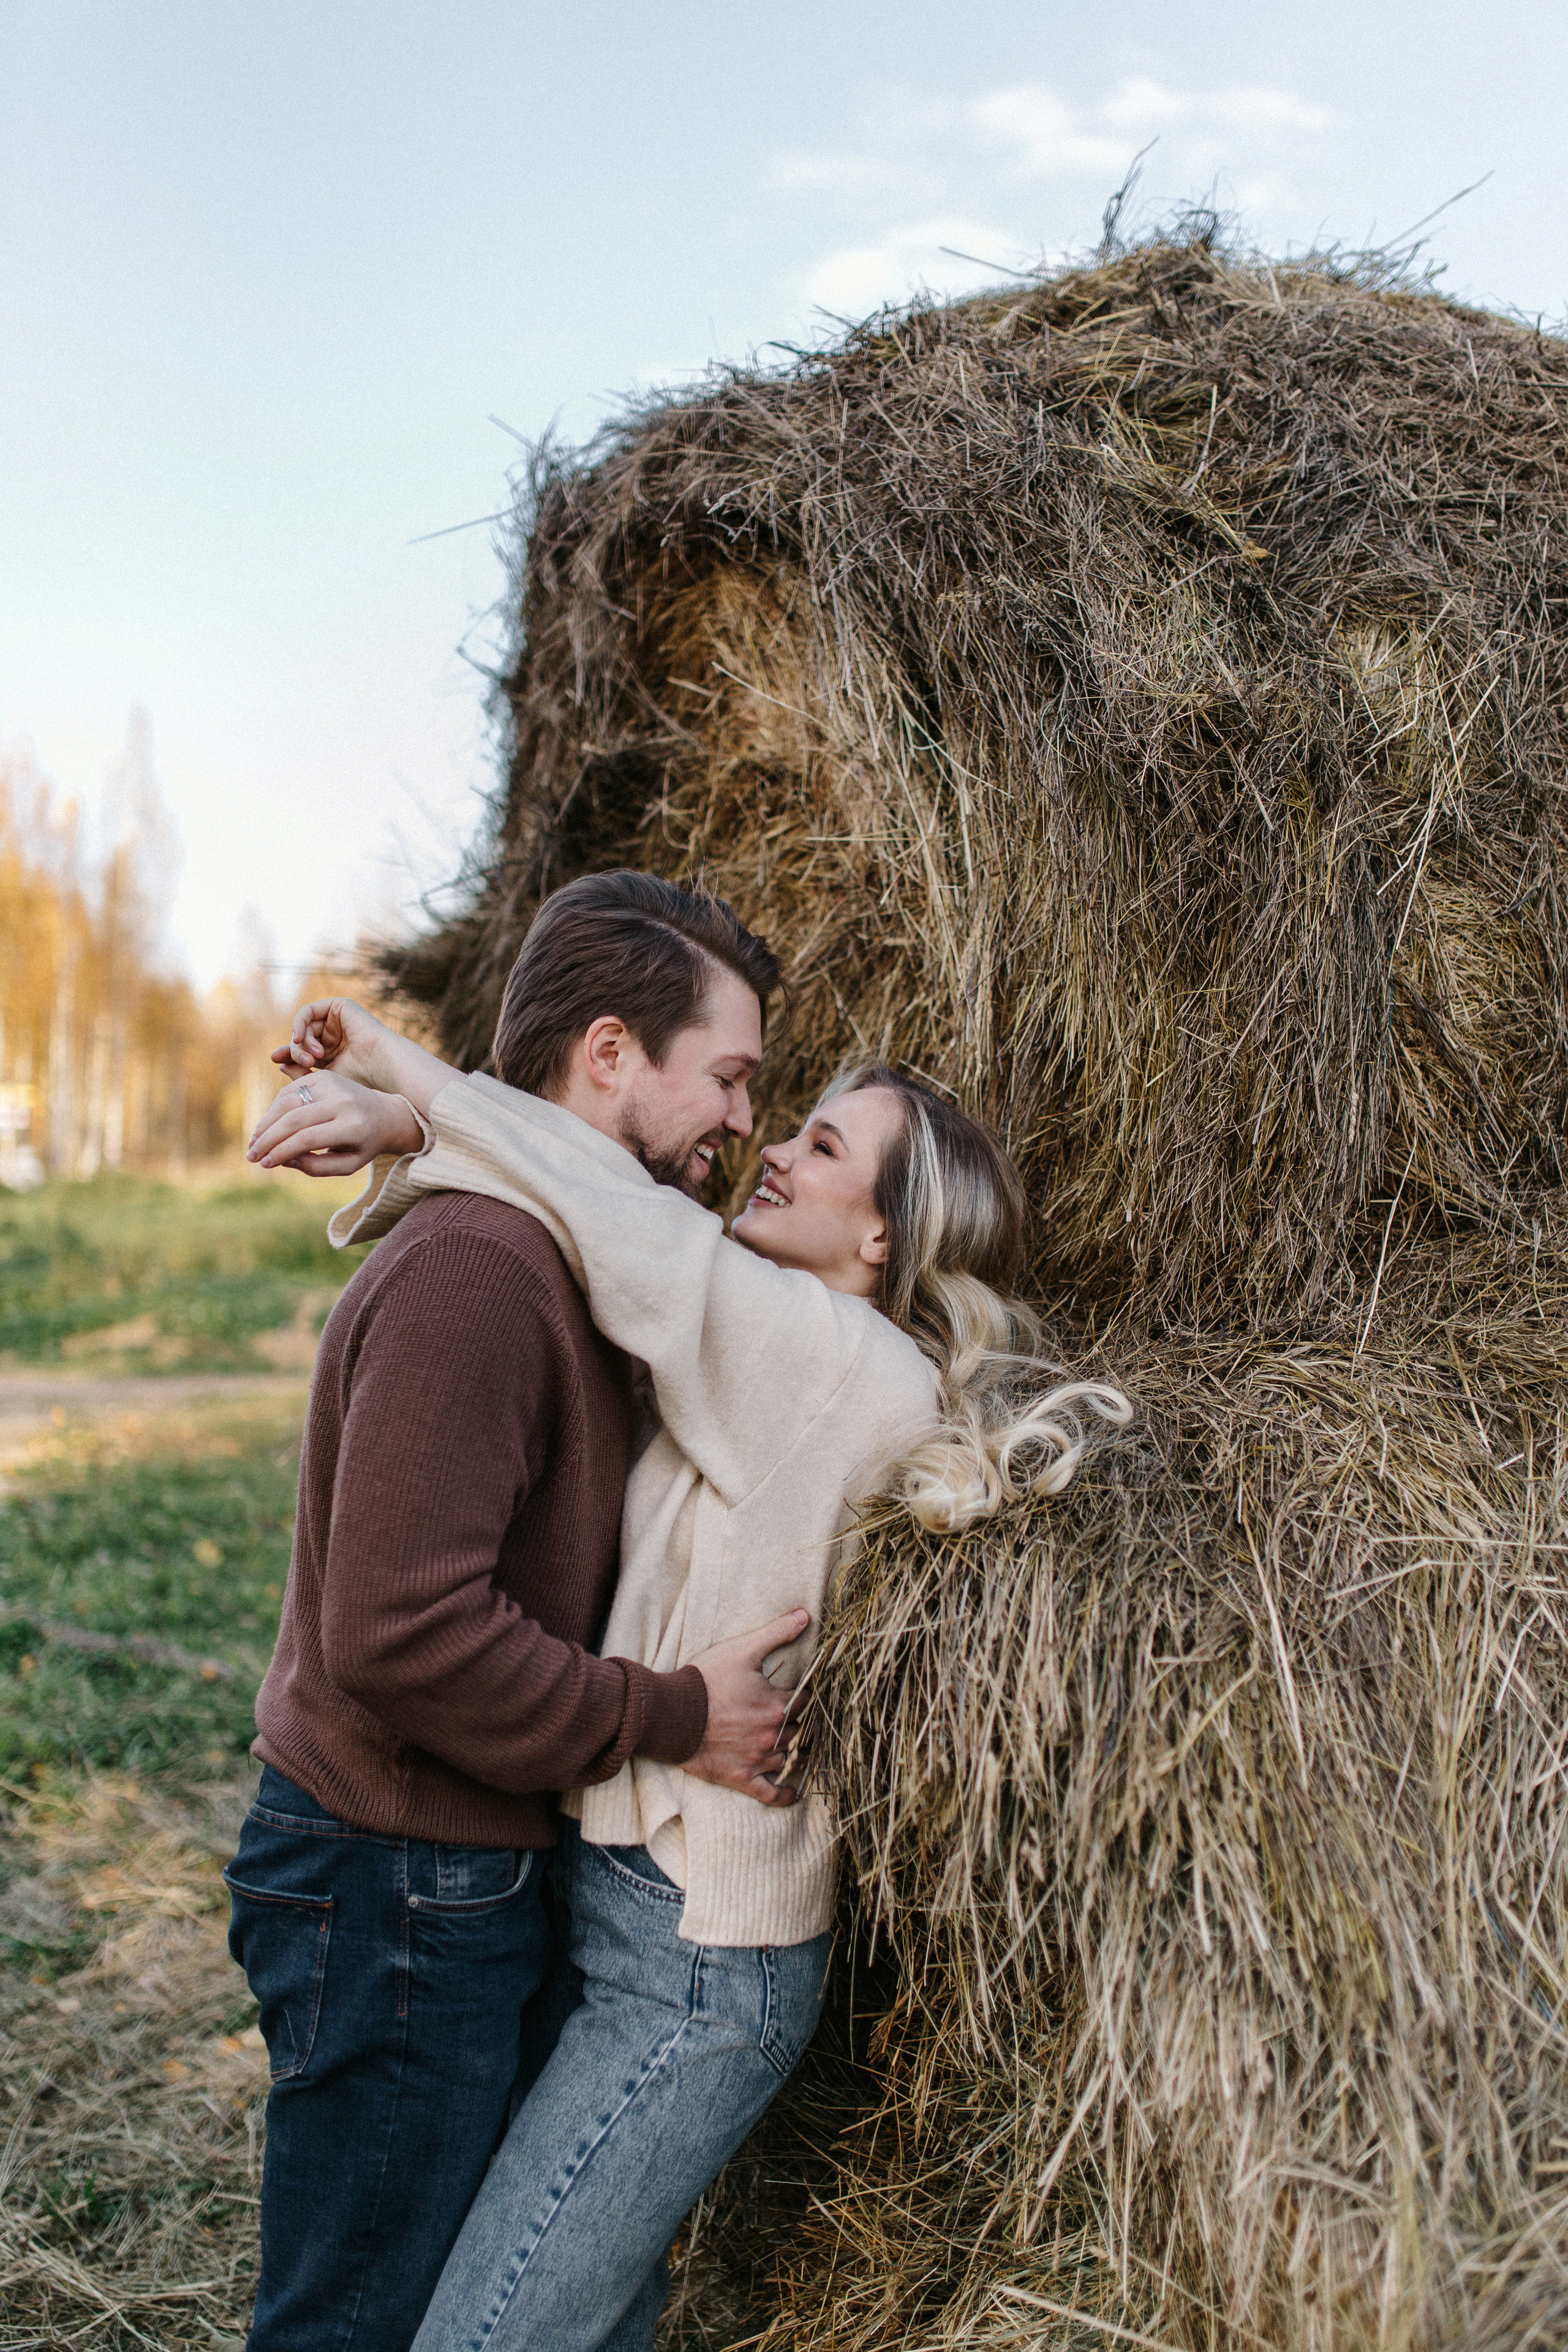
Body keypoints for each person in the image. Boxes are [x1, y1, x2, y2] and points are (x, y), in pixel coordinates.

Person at [249, 921, 1132, 2352]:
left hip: (694, 1956)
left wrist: (403, 1078)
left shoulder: (838, 1361)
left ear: (882, 1238)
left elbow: (613, 1214)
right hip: (627, 1912)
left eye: (820, 1146)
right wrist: (415, 1130)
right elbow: (591, 1213)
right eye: (753, 1097)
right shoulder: (756, 1337)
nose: (764, 1143)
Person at [226, 873, 818, 2352]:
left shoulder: (560, 1253)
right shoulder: (483, 1275)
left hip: (437, 1873)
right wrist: (672, 1715)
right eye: (727, 1078)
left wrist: (413, 1116)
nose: (744, 1121)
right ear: (609, 1054)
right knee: (358, 2322)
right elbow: (402, 1634)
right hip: (393, 1882)